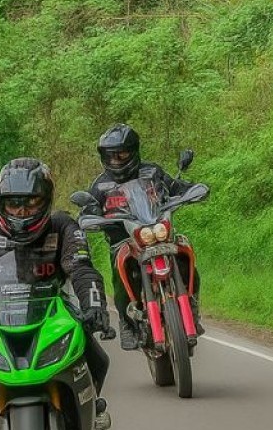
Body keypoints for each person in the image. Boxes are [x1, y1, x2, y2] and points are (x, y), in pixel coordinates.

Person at [0, 157, 114, 430]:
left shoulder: (63, 226)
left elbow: (81, 268)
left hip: (54, 311)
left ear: (47, 200)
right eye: (13, 203)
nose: (22, 211)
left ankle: (91, 408)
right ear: (0, 202)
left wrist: (95, 306)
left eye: (31, 203)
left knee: (97, 360)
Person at [81, 123, 204, 350]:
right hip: (123, 241)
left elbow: (174, 186)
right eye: (111, 155)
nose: (116, 160)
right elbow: (89, 208)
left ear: (133, 151)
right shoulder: (101, 184)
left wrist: (191, 190)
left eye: (121, 154)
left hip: (157, 230)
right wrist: (90, 216)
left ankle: (192, 304)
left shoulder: (152, 172)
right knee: (120, 272)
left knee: (184, 252)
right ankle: (126, 322)